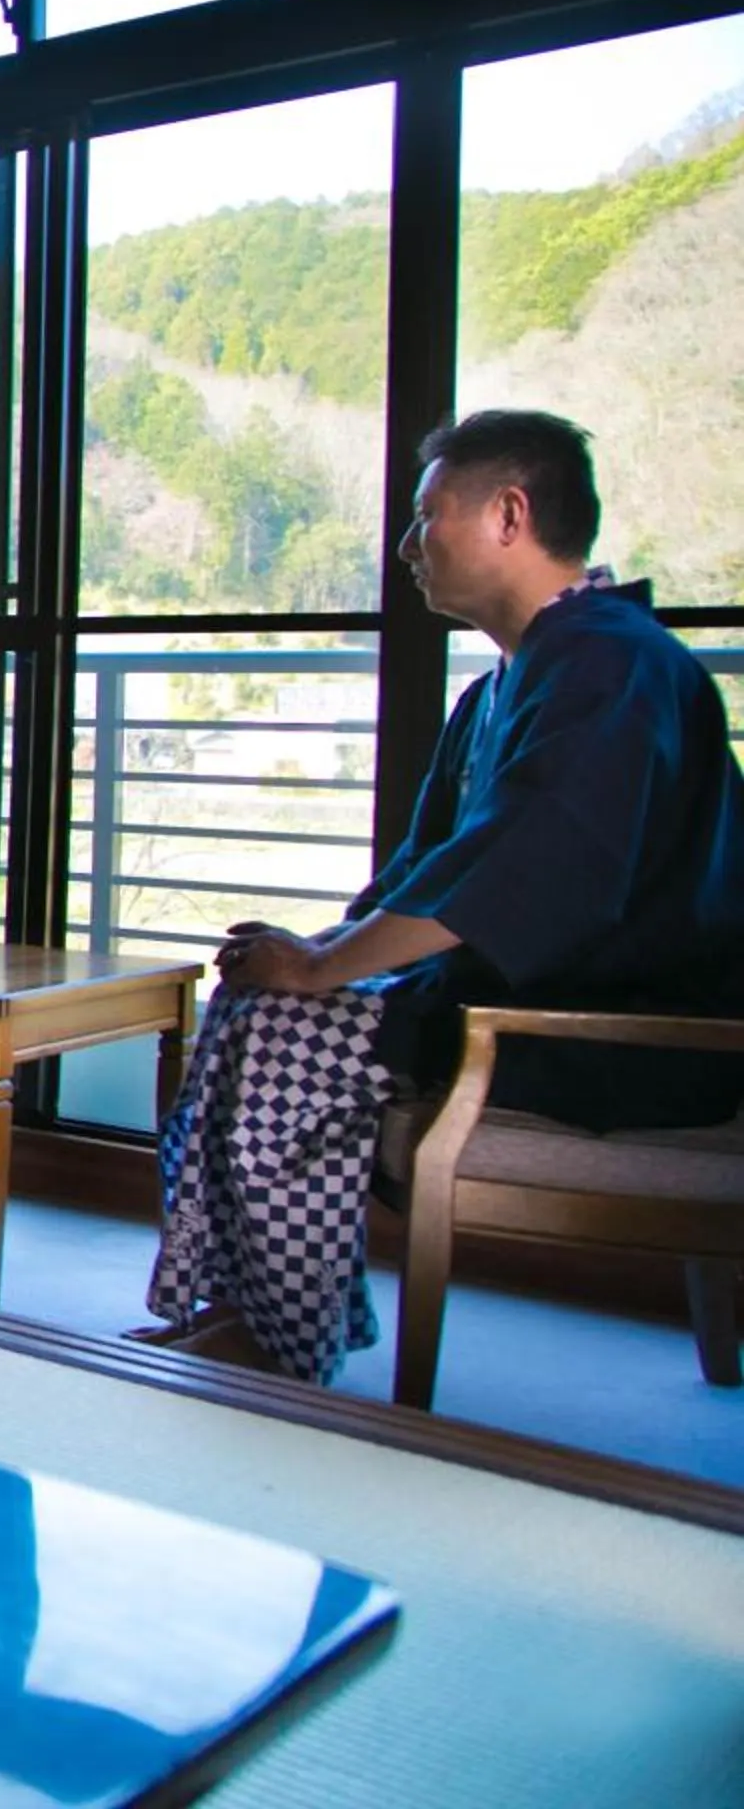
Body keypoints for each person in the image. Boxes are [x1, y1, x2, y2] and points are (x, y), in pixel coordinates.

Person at [149, 409, 744, 1382]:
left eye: (429, 516)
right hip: (510, 1008)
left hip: (617, 1033)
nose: (406, 544)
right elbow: (425, 869)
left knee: (285, 1028)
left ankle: (280, 1331)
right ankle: (255, 1309)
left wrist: (327, 967)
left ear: (510, 515)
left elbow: (532, 866)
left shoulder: (615, 662)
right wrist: (315, 952)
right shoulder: (504, 688)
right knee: (260, 1001)